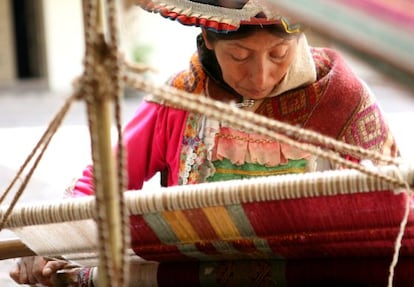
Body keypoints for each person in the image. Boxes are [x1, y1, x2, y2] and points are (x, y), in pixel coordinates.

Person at [10, 0, 399, 285]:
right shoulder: (181, 97)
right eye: (240, 55)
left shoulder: (339, 96)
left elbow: (395, 210)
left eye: (278, 54)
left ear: (299, 41)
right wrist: (52, 245)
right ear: (209, 42)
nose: (260, 76)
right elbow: (102, 184)